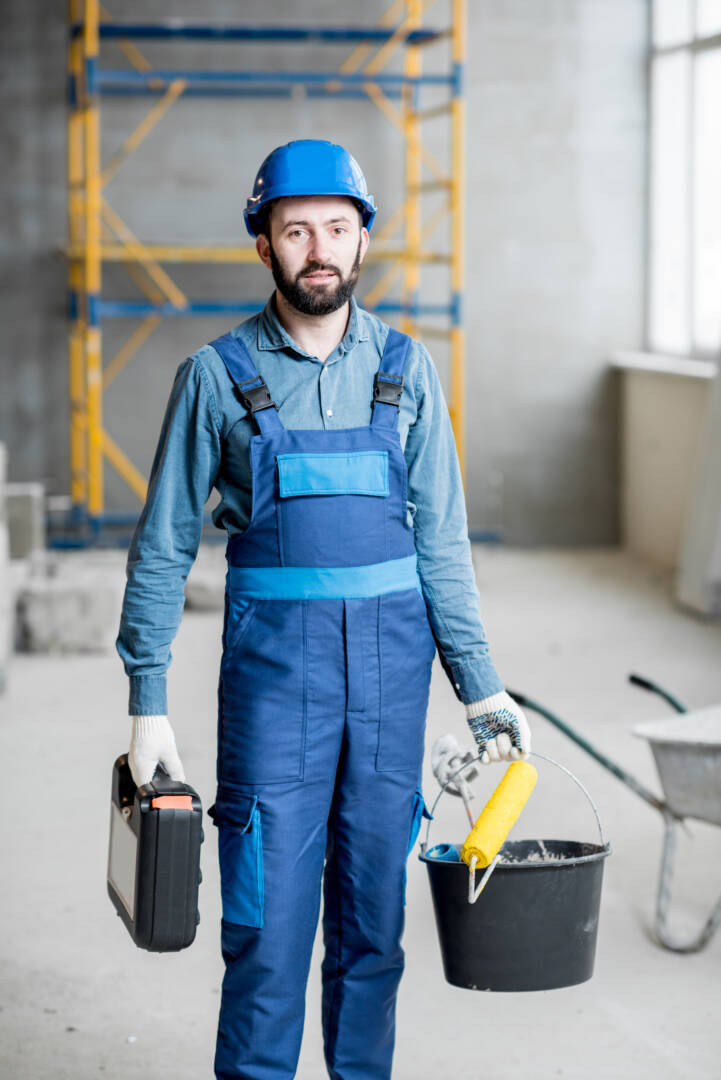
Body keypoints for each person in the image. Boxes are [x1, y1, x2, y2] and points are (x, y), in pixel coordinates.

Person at [116, 139, 531, 1080]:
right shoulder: (215, 378)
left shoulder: (406, 369)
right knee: (263, 933)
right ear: (262, 243)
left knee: (372, 938)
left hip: (391, 693)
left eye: (337, 230)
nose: (319, 249)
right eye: (295, 229)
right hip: (275, 697)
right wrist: (148, 698)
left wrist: (481, 691)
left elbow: (441, 547)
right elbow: (163, 546)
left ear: (362, 241)